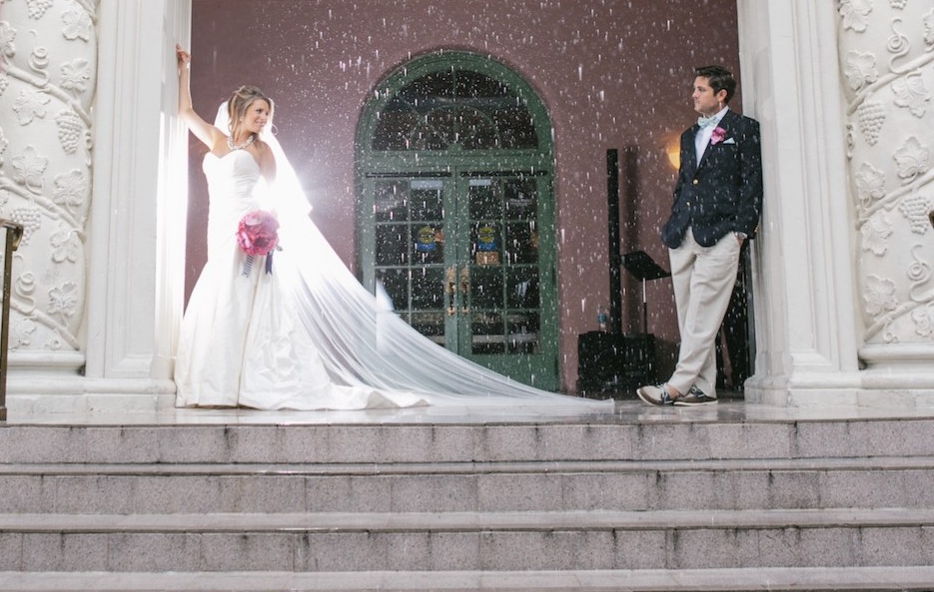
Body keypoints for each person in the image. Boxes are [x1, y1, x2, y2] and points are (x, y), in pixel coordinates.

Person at [173, 46, 603, 414]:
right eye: (257, 112)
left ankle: (246, 384)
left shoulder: (264, 151)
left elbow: (274, 196)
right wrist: (184, 70)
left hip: (251, 233)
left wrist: (267, 227)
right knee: (219, 300)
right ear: (239, 112)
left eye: (267, 113)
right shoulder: (218, 143)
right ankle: (214, 384)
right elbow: (185, 111)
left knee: (248, 303)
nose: (264, 118)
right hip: (222, 229)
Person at [637, 64, 762, 409]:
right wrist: (675, 220)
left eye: (700, 89)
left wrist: (741, 231)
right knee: (689, 311)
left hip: (722, 233)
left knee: (703, 313)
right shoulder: (689, 135)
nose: (693, 94)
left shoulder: (744, 129)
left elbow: (752, 183)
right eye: (694, 88)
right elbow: (685, 184)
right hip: (684, 233)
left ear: (721, 95)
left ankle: (677, 384)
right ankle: (703, 386)